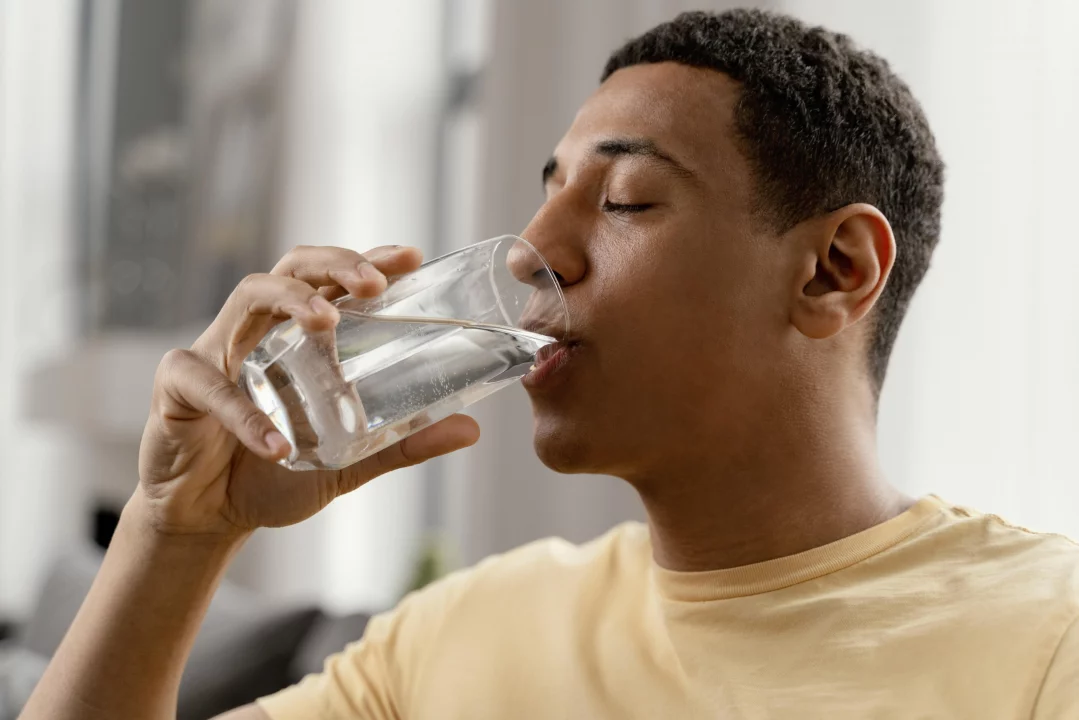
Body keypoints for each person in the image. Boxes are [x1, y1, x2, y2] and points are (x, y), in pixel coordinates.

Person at [22, 9, 1079, 719]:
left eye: (622, 203)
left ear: (831, 272)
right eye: (546, 193)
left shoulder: (1043, 642)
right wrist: (176, 530)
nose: (538, 253)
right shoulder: (456, 639)